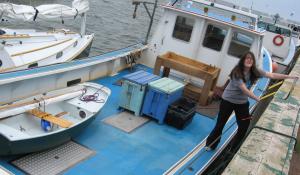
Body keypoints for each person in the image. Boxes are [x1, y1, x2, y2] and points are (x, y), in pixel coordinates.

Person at [205, 51, 298, 151]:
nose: (249, 60)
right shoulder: (237, 73)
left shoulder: (255, 71)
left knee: (244, 125)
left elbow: (272, 75)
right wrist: (257, 98)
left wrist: (289, 77)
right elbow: (244, 89)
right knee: (220, 124)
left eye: (251, 59)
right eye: (247, 58)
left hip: (241, 103)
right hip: (228, 101)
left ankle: (233, 148)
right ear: (242, 61)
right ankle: (210, 145)